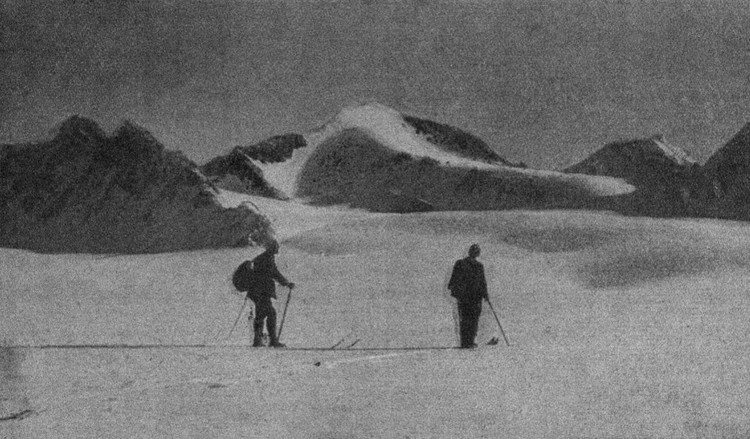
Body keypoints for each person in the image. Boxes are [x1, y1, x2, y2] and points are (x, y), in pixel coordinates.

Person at [247, 241, 295, 348]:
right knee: (271, 313)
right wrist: (286, 283)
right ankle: (272, 340)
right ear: (272, 248)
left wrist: (285, 283)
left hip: (257, 292)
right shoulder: (267, 259)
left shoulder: (263, 258)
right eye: (276, 247)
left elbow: (272, 273)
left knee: (260, 315)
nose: (278, 249)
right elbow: (274, 273)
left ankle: (257, 340)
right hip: (262, 292)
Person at [448, 244, 488, 348]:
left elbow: (453, 279)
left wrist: (454, 290)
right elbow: (482, 282)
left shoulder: (461, 263)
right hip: (473, 297)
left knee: (465, 318)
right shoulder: (477, 266)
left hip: (465, 296)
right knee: (473, 318)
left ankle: (466, 342)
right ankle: (469, 341)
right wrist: (485, 294)